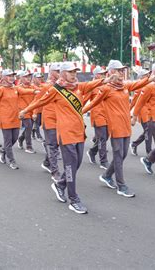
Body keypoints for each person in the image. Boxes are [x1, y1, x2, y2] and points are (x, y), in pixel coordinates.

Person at [19, 62, 111, 214]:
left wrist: (104, 80)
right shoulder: (56, 90)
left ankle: (60, 184)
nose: (73, 74)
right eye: (70, 72)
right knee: (69, 166)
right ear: (62, 74)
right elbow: (40, 101)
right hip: (66, 134)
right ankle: (73, 199)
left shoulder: (79, 87)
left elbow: (91, 84)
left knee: (77, 163)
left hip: (79, 132)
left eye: (75, 72)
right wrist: (26, 110)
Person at [83, 60, 155, 198]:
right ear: (111, 72)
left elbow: (138, 84)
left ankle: (106, 175)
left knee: (122, 155)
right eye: (118, 70)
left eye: (123, 70)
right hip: (115, 127)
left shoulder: (125, 86)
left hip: (126, 126)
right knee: (118, 155)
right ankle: (121, 185)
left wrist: (151, 78)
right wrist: (78, 111)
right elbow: (93, 103)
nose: (122, 73)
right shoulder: (105, 89)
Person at [0, 69, 39, 169]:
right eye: (9, 76)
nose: (12, 77)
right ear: (4, 77)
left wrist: (35, 91)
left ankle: (3, 151)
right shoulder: (1, 89)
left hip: (15, 119)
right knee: (8, 141)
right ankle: (11, 160)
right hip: (5, 119)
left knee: (14, 139)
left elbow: (25, 91)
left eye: (13, 76)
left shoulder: (15, 88)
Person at [85, 66, 110, 169]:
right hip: (97, 115)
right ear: (96, 75)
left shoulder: (107, 85)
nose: (103, 74)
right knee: (102, 138)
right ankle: (103, 161)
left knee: (106, 136)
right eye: (101, 73)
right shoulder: (91, 86)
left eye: (104, 73)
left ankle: (92, 151)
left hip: (107, 115)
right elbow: (84, 100)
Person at [130, 69, 152, 156]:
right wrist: (129, 112)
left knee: (149, 131)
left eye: (148, 74)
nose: (148, 76)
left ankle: (134, 144)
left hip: (150, 112)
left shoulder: (150, 84)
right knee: (148, 132)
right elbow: (134, 101)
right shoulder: (139, 86)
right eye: (146, 75)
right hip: (143, 112)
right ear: (142, 76)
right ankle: (149, 152)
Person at [17, 71, 37, 153]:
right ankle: (29, 146)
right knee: (28, 126)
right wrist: (33, 91)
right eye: (25, 77)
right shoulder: (18, 88)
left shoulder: (33, 87)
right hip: (23, 111)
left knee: (29, 128)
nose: (28, 78)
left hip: (31, 110)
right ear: (21, 78)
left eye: (29, 76)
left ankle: (21, 138)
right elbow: (22, 91)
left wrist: (35, 112)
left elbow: (36, 101)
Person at [31, 72, 45, 141]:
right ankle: (38, 136)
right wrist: (34, 112)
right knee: (36, 122)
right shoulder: (32, 87)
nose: (40, 79)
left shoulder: (42, 86)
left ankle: (33, 131)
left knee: (39, 123)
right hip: (35, 108)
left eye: (40, 77)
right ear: (34, 78)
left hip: (42, 108)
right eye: (38, 78)